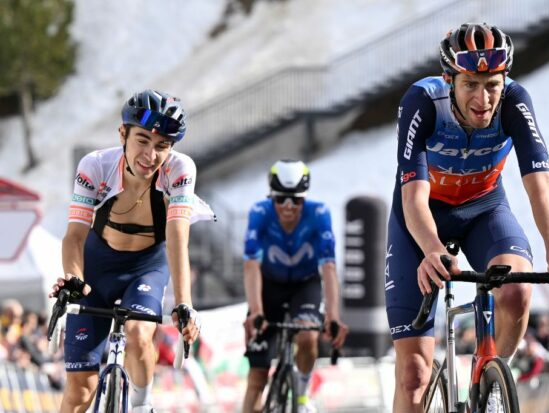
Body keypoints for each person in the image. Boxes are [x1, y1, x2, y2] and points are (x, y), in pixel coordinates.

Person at [384, 23, 549, 412]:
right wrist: (430, 249)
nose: (483, 98)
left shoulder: (514, 102)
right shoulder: (423, 102)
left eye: (492, 84)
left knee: (516, 291)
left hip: (484, 209)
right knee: (414, 375)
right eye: (471, 84)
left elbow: (540, 185)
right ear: (449, 80)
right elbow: (413, 196)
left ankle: (490, 383)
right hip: (422, 220)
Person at [49, 89, 215, 413]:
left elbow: (178, 236)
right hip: (95, 266)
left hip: (147, 266)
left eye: (162, 146)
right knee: (79, 393)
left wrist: (184, 304)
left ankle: (142, 404)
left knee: (140, 334)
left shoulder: (181, 171)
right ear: (123, 133)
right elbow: (74, 236)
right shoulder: (95, 166)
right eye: (142, 140)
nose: (150, 155)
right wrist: (73, 278)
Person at [241, 159, 348, 413]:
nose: (288, 207)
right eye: (280, 200)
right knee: (257, 375)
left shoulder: (319, 213)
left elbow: (329, 268)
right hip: (268, 287)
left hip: (304, 285)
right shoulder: (259, 212)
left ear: (305, 199)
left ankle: (301, 397)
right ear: (272, 197)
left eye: (296, 200)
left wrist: (333, 315)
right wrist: (256, 311)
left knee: (308, 335)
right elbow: (251, 266)